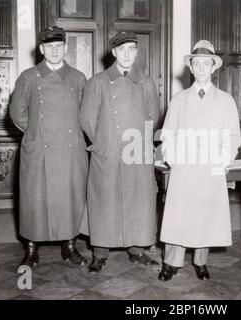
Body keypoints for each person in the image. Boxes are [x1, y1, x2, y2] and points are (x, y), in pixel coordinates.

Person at [158, 40, 241, 281]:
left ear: (214, 67)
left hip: (210, 167)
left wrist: (223, 160)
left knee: (206, 214)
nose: (202, 68)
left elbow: (233, 136)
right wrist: (173, 159)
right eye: (197, 64)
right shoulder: (178, 99)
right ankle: (170, 262)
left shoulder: (226, 101)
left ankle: (200, 261)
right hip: (184, 167)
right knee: (178, 215)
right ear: (191, 68)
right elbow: (168, 134)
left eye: (207, 63)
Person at [79, 31, 161, 273]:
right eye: (122, 49)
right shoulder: (98, 81)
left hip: (136, 151)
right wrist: (104, 143)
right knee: (104, 201)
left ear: (136, 52)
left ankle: (136, 250)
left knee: (138, 200)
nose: (127, 54)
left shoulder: (146, 82)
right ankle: (100, 253)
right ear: (113, 52)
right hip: (108, 152)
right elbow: (86, 119)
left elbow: (152, 116)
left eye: (132, 49)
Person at [9, 26, 89, 268]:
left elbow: (85, 115)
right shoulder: (28, 76)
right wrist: (36, 132)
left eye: (59, 46)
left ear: (65, 48)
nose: (55, 51)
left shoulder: (78, 77)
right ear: (42, 49)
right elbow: (16, 113)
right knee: (34, 199)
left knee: (70, 196)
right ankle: (32, 249)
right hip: (38, 149)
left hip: (70, 150)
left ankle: (70, 246)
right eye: (49, 46)